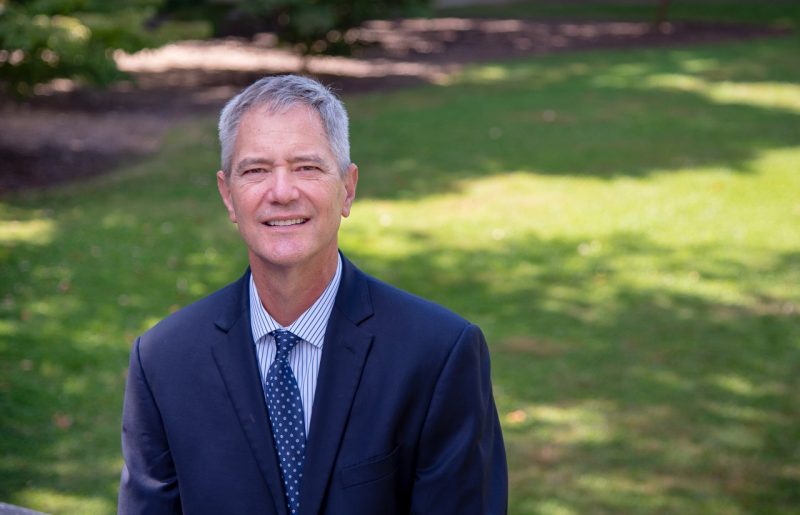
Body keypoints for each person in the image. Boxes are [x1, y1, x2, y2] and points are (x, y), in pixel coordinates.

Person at [118, 74, 507, 514]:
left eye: (307, 167)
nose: (282, 193)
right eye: (256, 170)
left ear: (348, 188)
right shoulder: (163, 362)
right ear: (229, 196)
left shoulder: (438, 355)